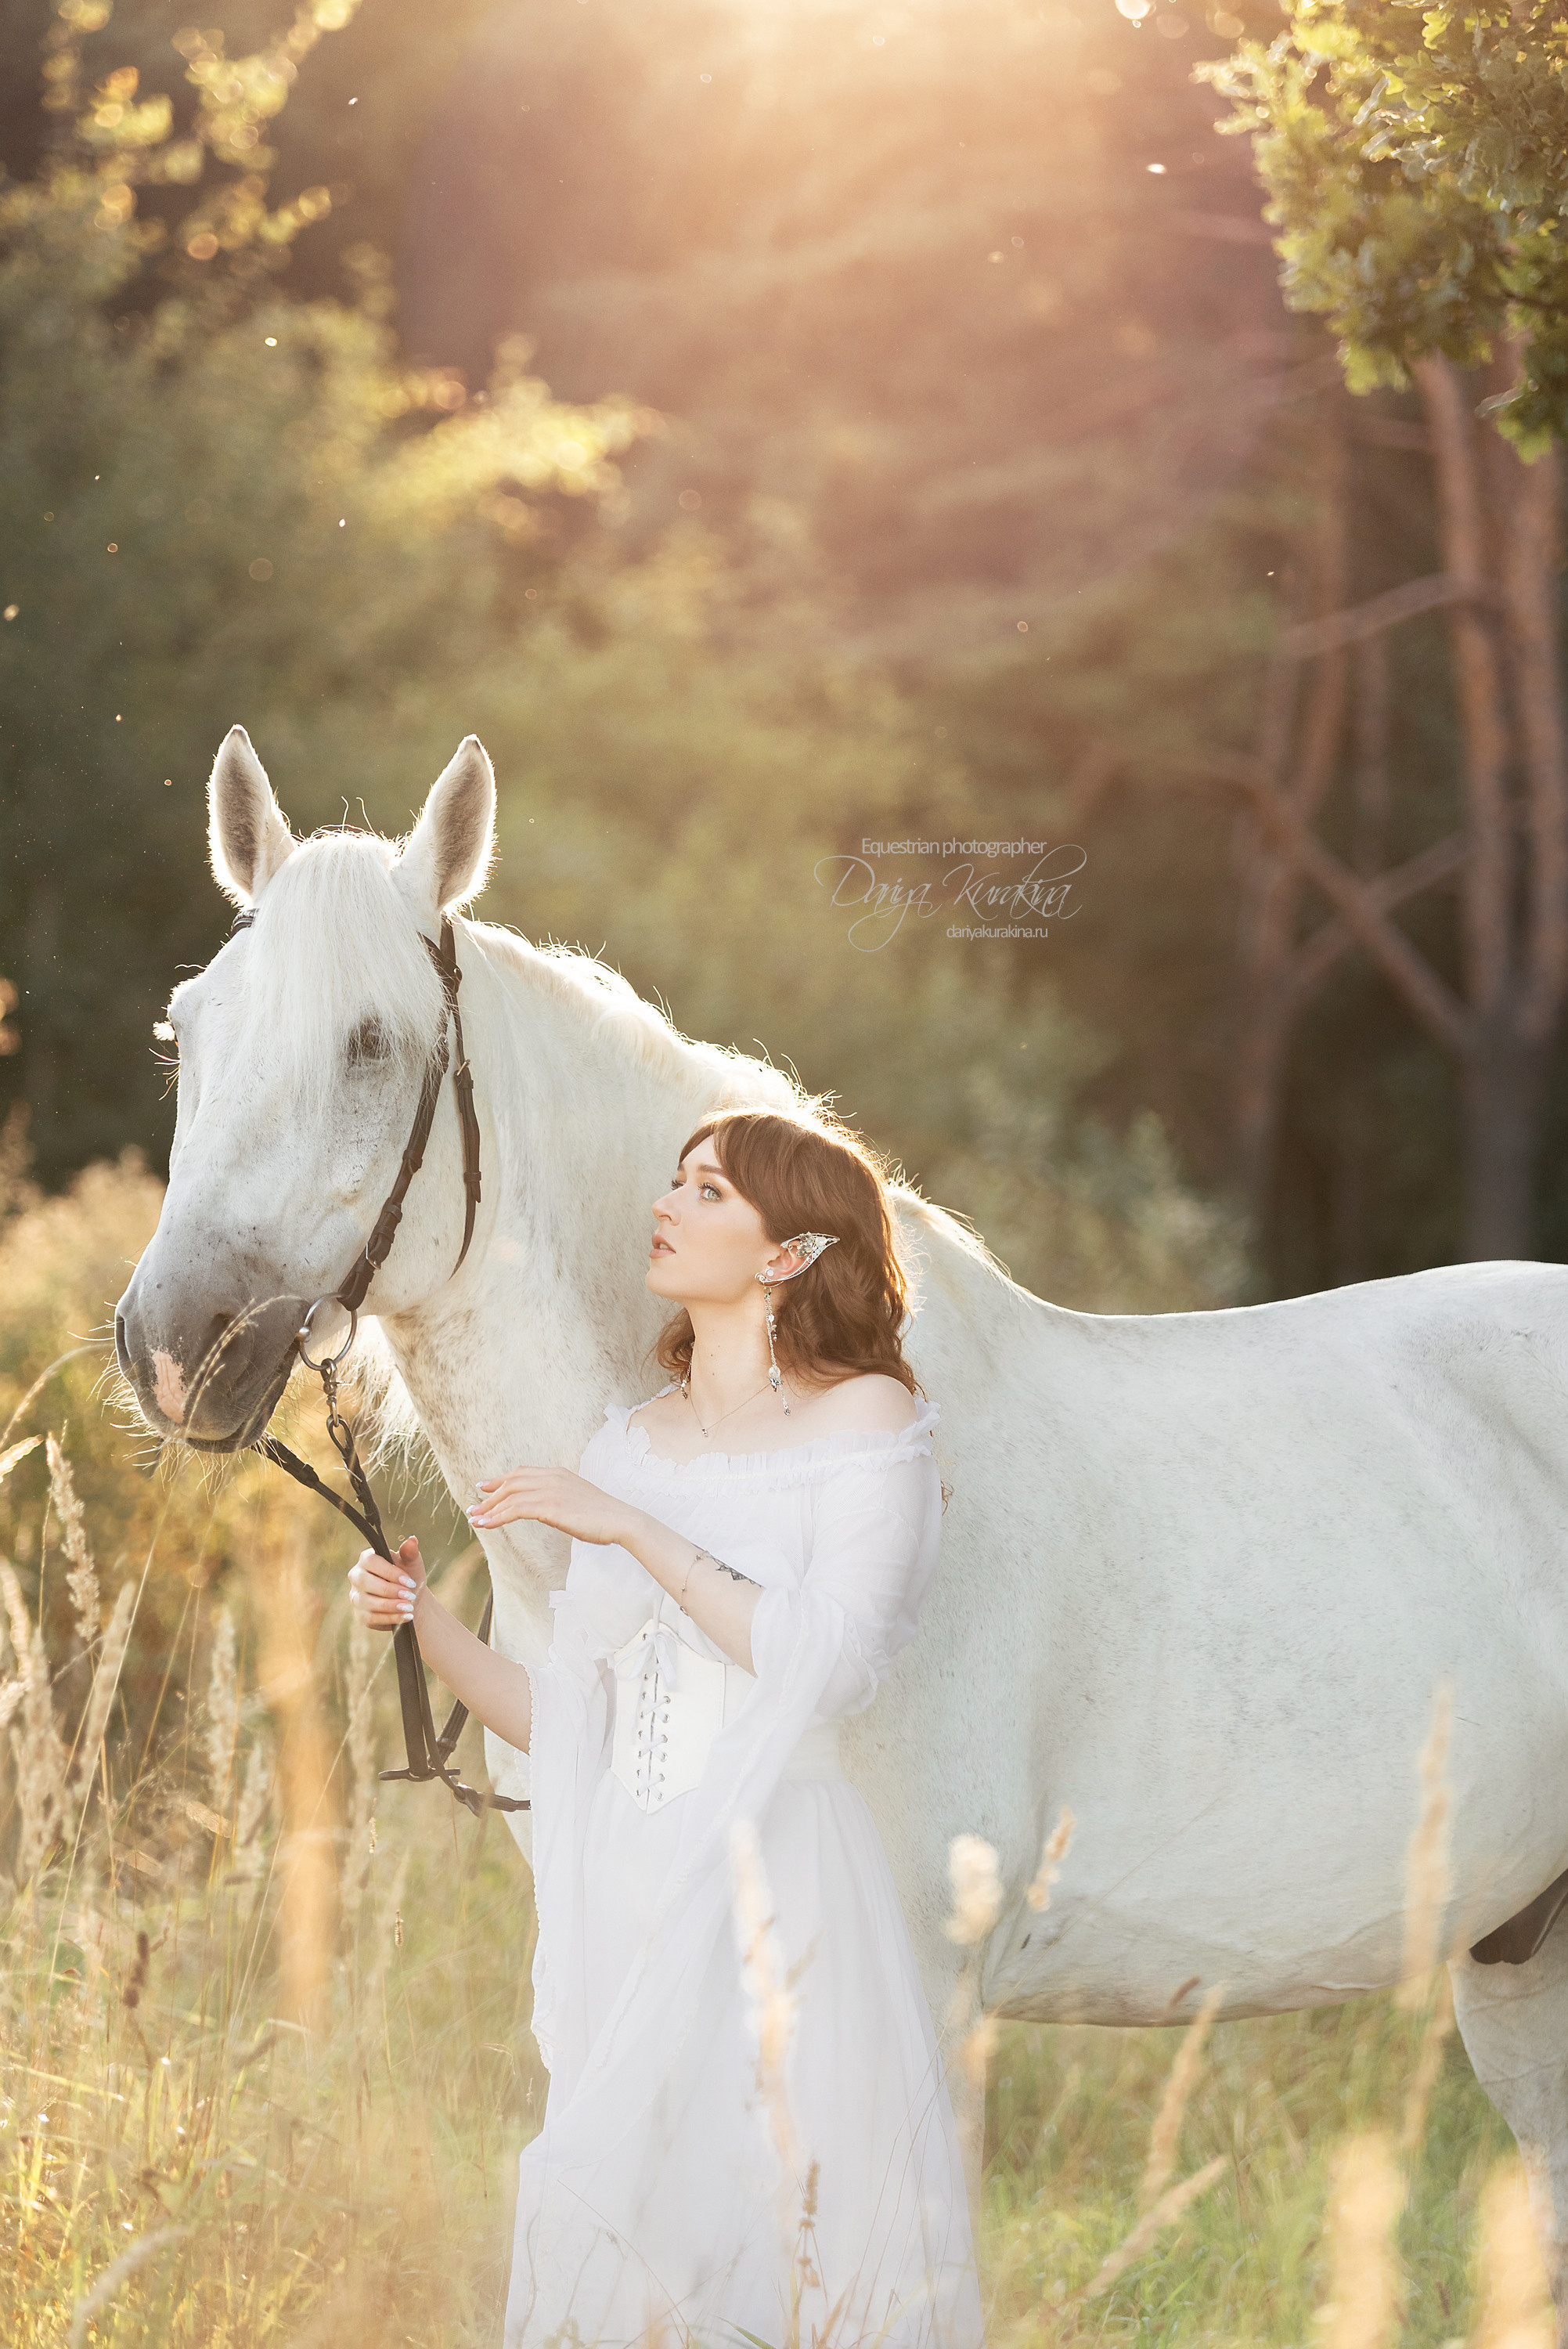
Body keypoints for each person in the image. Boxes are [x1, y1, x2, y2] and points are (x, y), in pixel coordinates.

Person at [348, 1104, 986, 2349]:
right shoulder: (630, 1442)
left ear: (787, 1255)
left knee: (787, 2235)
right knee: (633, 2254)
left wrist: (634, 1530)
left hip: (777, 1888)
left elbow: (830, 1660)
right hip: (629, 1888)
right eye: (676, 1182)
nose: (667, 1206)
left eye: (707, 1193)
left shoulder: (864, 1423)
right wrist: (426, 1622)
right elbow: (563, 1716)